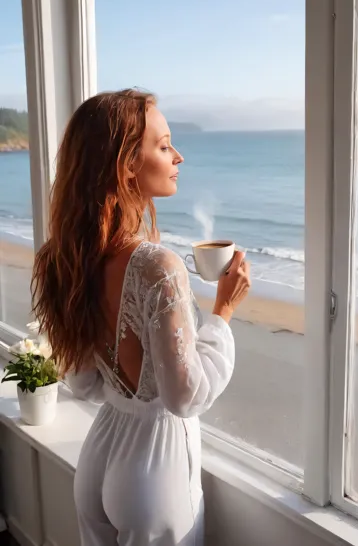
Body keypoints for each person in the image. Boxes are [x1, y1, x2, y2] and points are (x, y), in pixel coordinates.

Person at [31, 89, 251, 546]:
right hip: (155, 472)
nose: (179, 156)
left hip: (100, 454)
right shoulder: (158, 266)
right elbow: (184, 396)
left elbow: (84, 384)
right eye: (165, 144)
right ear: (127, 163)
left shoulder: (65, 259)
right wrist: (223, 312)